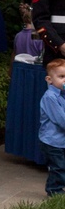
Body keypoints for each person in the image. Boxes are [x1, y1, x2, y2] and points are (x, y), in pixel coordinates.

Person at [40, 58, 65, 196]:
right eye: (61, 77)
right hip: (52, 140)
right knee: (58, 166)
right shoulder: (50, 97)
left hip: (61, 140)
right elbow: (61, 120)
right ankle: (54, 190)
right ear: (49, 79)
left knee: (62, 165)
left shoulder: (63, 95)